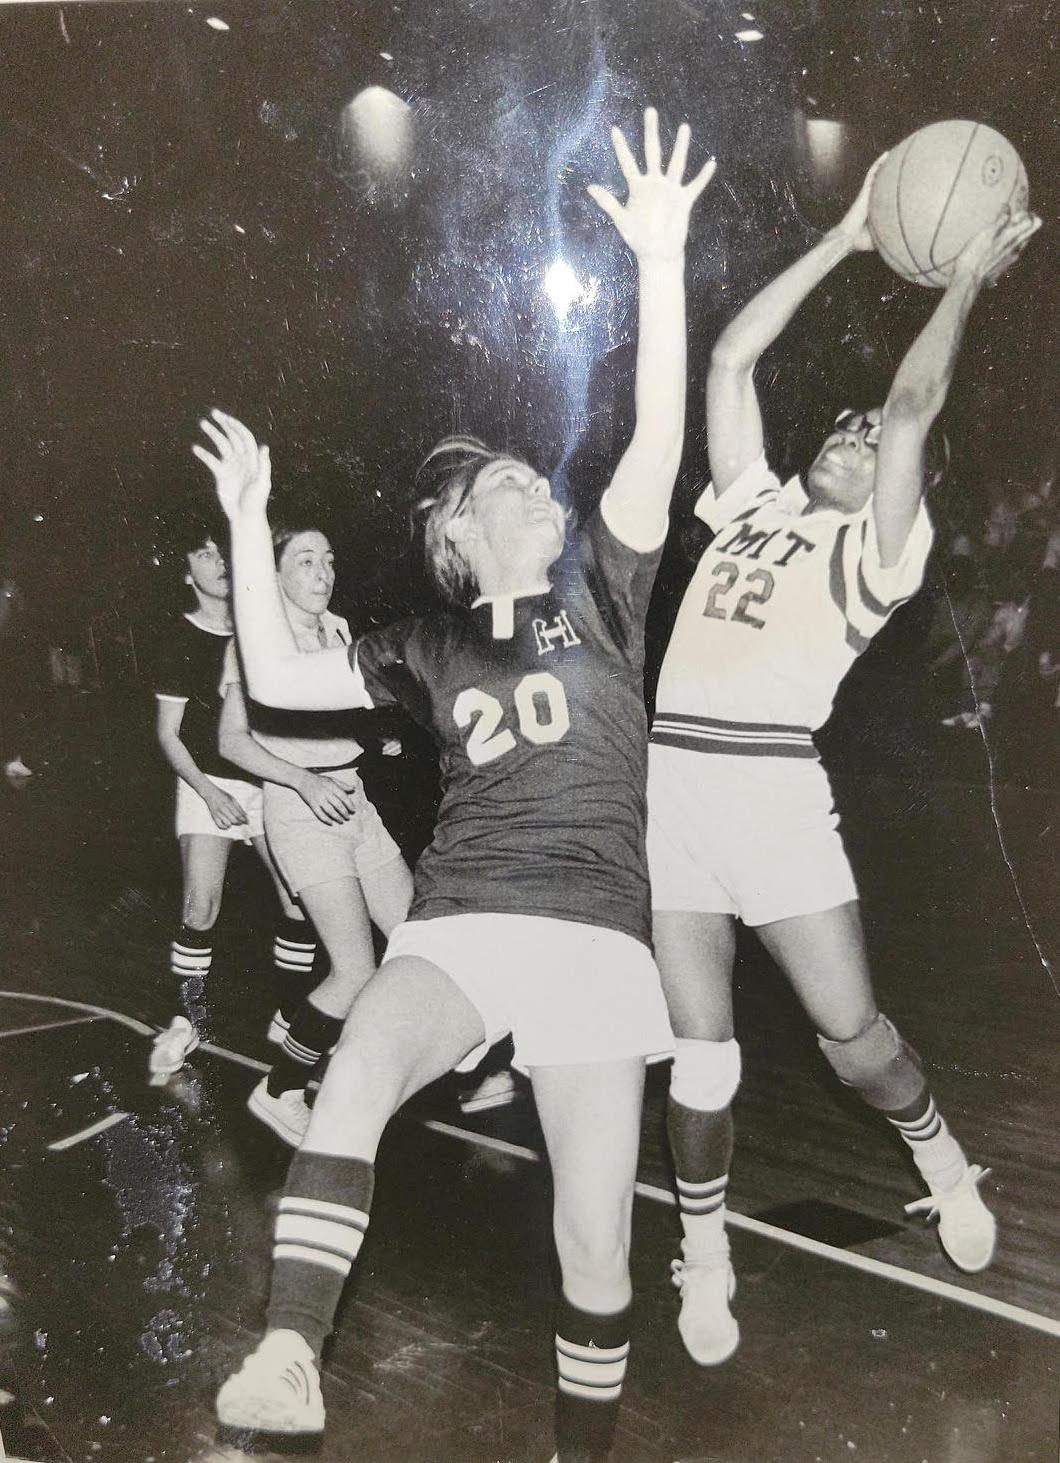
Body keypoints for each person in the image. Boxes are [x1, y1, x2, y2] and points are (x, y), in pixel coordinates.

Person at [201, 107, 714, 1462]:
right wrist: (251, 528)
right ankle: (286, 1351)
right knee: (361, 1062)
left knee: (596, 1251)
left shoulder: (604, 587)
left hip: (598, 933)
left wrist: (661, 259)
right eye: (508, 481)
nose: (540, 485)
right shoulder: (425, 642)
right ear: (452, 530)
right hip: (467, 912)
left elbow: (659, 435)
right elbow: (276, 681)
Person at [646, 168, 1039, 1366]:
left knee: (852, 1039)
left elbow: (913, 406)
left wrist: (964, 278)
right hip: (672, 788)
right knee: (700, 1056)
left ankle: (936, 1155)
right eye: (844, 424)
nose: (855, 430)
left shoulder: (882, 554)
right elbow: (728, 363)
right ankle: (704, 1260)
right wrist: (845, 234)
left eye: (869, 439)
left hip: (769, 792)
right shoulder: (748, 502)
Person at [217, 519, 413, 1143]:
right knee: (354, 968)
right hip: (300, 811)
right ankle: (278, 1091)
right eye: (305, 562)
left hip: (354, 801)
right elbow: (229, 742)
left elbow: (336, 715)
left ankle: (353, 1061)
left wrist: (375, 736)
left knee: (415, 942)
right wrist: (305, 780)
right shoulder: (254, 642)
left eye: (328, 560)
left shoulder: (338, 631)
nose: (323, 574)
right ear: (272, 575)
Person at [149, 514, 317, 1079]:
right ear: (186, 574)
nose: (217, 563)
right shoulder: (179, 637)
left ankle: (291, 1016)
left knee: (300, 900)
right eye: (201, 557)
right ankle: (186, 1020)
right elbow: (168, 735)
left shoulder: (259, 630)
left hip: (265, 778)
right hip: (206, 781)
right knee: (202, 904)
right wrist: (207, 792)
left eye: (220, 553)